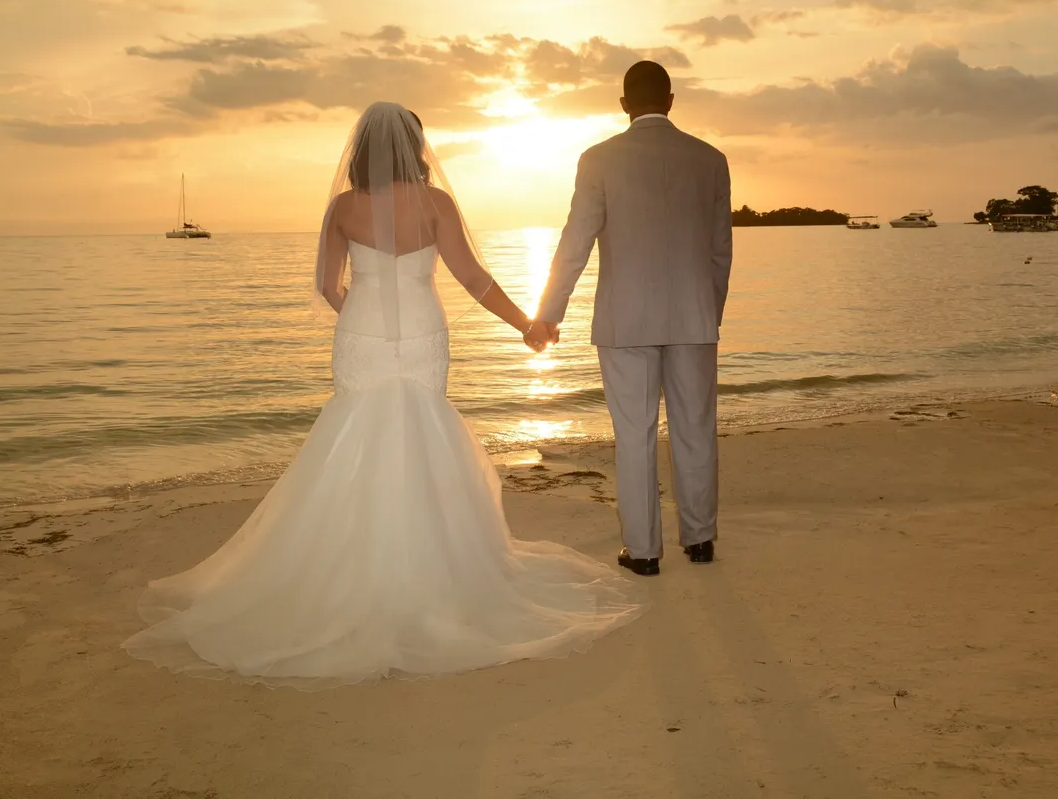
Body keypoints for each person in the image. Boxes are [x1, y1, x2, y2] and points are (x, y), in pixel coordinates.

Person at [122, 102, 647, 689]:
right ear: (414, 146)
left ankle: (348, 572)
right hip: (424, 335)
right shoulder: (436, 205)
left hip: (362, 337)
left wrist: (363, 320)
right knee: (422, 441)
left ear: (361, 148)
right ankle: (431, 575)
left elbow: (327, 286)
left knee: (355, 443)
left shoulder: (342, 209)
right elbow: (474, 279)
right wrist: (528, 324)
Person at [528, 61, 733, 577]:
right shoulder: (710, 159)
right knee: (695, 428)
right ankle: (700, 538)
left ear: (624, 104)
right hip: (693, 317)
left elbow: (575, 243)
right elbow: (719, 251)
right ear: (670, 99)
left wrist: (548, 314)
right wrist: (712, 312)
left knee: (635, 433)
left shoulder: (599, 160)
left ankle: (643, 552)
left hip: (625, 322)